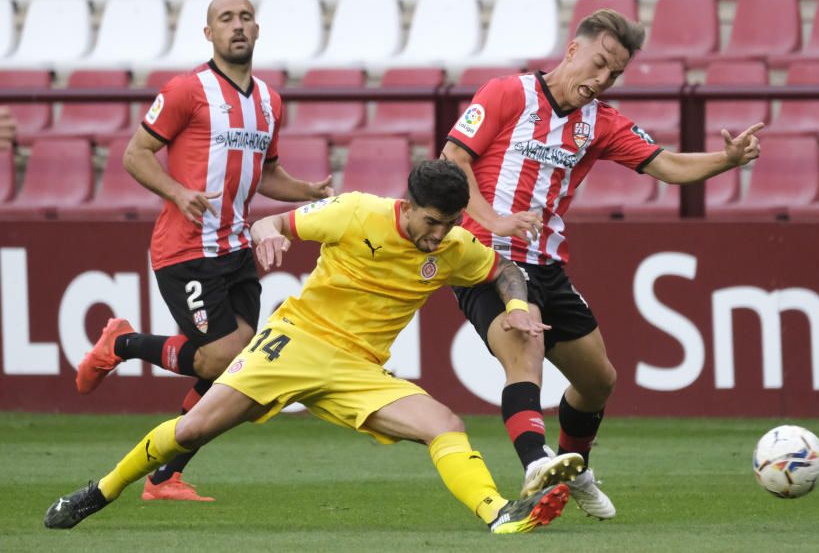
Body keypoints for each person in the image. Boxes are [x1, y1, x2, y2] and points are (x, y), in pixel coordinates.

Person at [45, 161, 584, 534]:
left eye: (449, 225)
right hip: (295, 343)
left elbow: (505, 269)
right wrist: (270, 233)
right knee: (191, 431)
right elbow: (271, 221)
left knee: (444, 423)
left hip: (358, 369)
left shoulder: (454, 245)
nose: (439, 235)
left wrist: (516, 305)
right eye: (432, 222)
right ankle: (101, 491)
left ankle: (499, 514)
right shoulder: (354, 212)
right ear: (409, 204)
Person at [441, 8, 763, 519]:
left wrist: (728, 159)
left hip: (546, 263)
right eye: (598, 64)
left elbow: (667, 166)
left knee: (599, 381)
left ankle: (575, 467)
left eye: (614, 73)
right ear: (572, 50)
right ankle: (535, 464)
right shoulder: (507, 94)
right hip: (485, 258)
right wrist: (493, 219)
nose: (601, 79)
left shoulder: (601, 123)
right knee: (524, 350)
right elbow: (453, 160)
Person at [73, 0, 333, 502]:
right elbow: (135, 153)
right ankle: (121, 344)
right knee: (221, 362)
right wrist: (176, 192)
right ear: (208, 33)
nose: (237, 26)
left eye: (245, 17)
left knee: (236, 371)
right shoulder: (185, 90)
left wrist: (306, 192)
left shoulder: (269, 101)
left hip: (237, 248)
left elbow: (267, 173)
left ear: (257, 30)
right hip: (185, 248)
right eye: (225, 19)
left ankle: (164, 476)